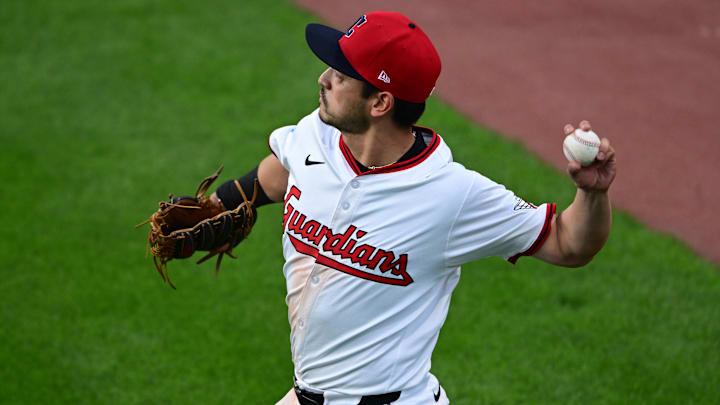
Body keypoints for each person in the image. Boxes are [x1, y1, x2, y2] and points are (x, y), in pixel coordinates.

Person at [211, 11, 616, 405]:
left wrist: (593, 194)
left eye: (340, 74)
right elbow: (281, 172)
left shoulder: (451, 195)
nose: (324, 78)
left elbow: (567, 243)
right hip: (305, 394)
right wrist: (219, 205)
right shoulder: (316, 134)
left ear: (380, 102)